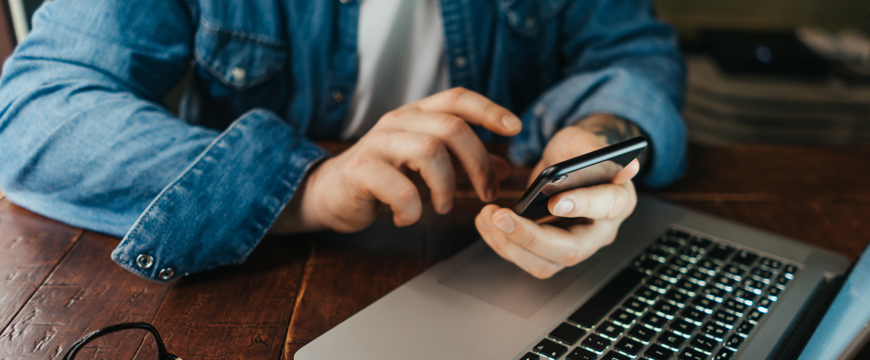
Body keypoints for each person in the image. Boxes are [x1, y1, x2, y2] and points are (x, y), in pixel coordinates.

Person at [0, 0, 686, 281]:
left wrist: (599, 139)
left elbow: (635, 56)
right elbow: (34, 111)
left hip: (496, 255)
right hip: (267, 269)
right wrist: (307, 186)